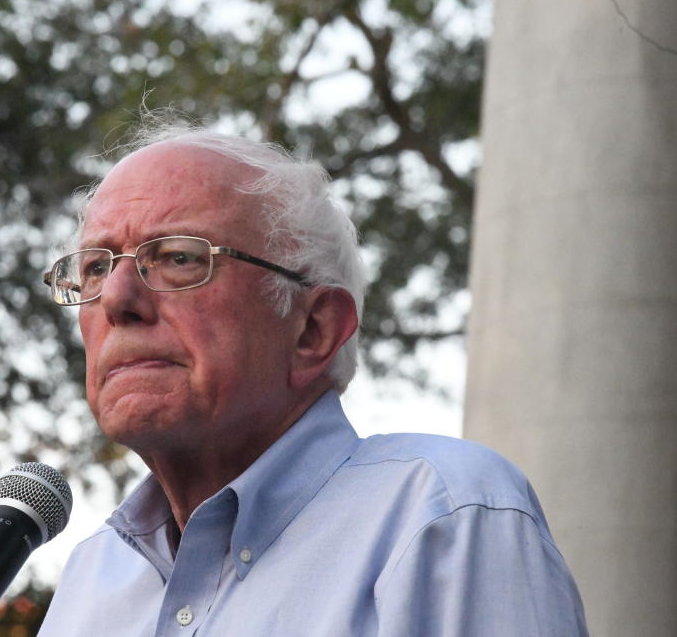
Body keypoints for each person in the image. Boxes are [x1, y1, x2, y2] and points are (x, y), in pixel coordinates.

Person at [36, 119, 589, 636]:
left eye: (179, 257)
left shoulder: (446, 517)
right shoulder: (91, 579)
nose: (115, 298)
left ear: (314, 330)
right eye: (94, 267)